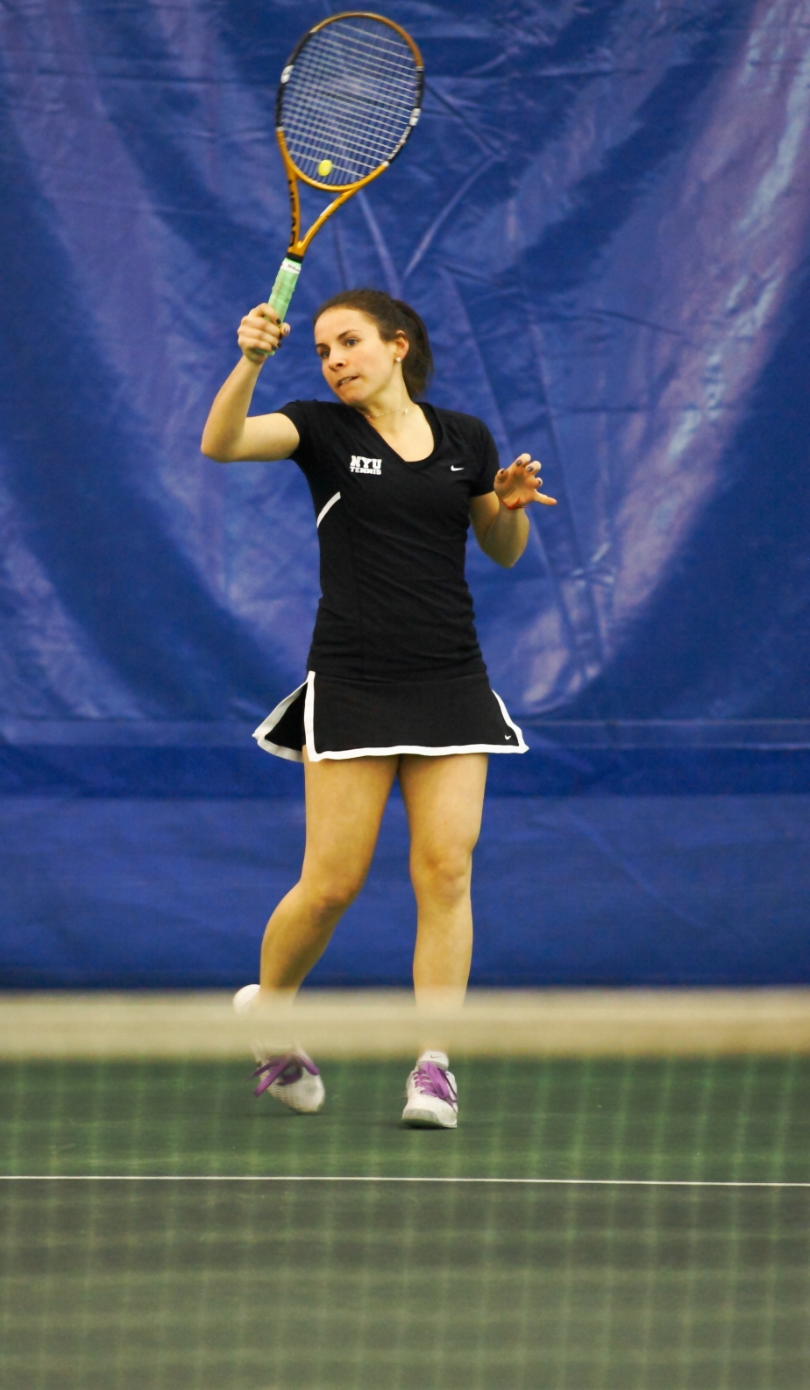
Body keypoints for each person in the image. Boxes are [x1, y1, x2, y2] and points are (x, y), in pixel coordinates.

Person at [200, 289, 555, 1128]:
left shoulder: (466, 437)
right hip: (355, 682)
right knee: (330, 885)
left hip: (451, 680)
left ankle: (434, 1066)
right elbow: (221, 443)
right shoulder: (319, 429)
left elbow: (500, 551)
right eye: (322, 350)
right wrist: (251, 359)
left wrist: (505, 507)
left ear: (399, 346)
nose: (334, 361)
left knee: (447, 870)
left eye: (349, 342)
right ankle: (271, 1014)